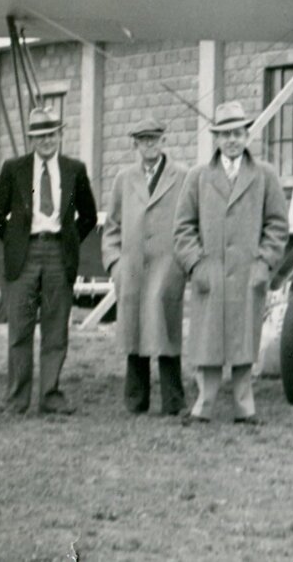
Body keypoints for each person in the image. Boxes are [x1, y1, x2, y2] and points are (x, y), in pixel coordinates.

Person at [173, 100, 289, 425]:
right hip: (209, 273)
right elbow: (182, 227)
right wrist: (196, 265)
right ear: (216, 139)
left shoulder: (265, 176)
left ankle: (244, 405)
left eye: (237, 133)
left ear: (247, 135)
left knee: (243, 340)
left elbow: (278, 226)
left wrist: (264, 263)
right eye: (225, 134)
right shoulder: (198, 177)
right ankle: (204, 403)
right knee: (208, 341)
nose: (231, 140)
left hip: (247, 273)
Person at [0, 107, 99, 415]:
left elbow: (88, 215)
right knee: (20, 330)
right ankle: (16, 399)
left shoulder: (75, 169)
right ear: (31, 139)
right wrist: (16, 241)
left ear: (61, 135)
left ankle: (50, 395)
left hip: (58, 256)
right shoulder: (14, 169)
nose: (47, 141)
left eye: (51, 134)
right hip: (24, 256)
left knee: (55, 329)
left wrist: (68, 240)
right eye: (40, 136)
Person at [101, 115, 188, 416]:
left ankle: (173, 402)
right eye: (143, 140)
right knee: (135, 333)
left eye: (154, 139)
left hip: (168, 267)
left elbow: (191, 222)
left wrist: (182, 263)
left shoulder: (182, 176)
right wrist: (115, 264)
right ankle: (136, 401)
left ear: (164, 141)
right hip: (133, 270)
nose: (149, 145)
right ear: (135, 144)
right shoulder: (123, 180)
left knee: (167, 333)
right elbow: (111, 227)